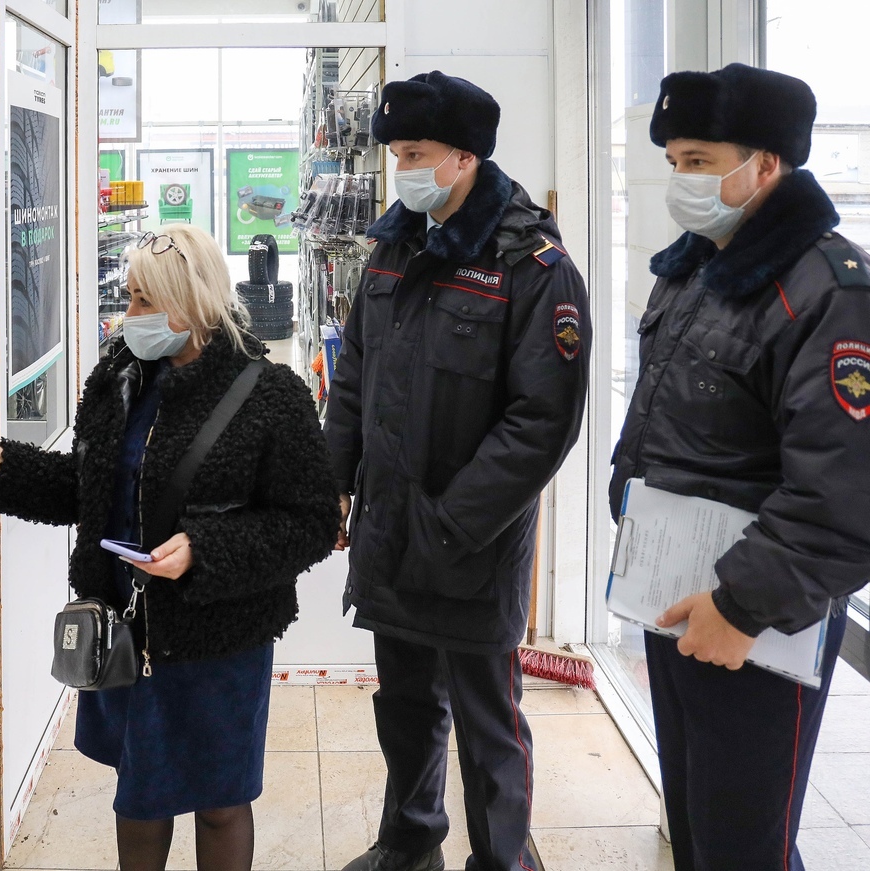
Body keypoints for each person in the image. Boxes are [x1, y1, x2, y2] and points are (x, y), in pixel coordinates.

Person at [0, 223, 339, 871]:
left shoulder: (269, 395)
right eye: (130, 295)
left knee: (221, 801)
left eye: (144, 300)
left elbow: (308, 523)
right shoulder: (118, 382)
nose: (128, 316)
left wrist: (203, 548)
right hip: (127, 630)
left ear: (191, 303)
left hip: (219, 641)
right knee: (141, 794)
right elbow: (86, 490)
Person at [324, 71, 591, 871]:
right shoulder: (391, 247)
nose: (401, 166)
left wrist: (450, 522)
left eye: (415, 152)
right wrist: (334, 481)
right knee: (404, 705)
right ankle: (409, 842)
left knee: (488, 722)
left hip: (472, 542)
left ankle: (502, 860)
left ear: (466, 157)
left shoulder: (533, 264)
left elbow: (543, 421)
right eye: (396, 151)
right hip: (389, 528)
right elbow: (354, 376)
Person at [610, 63, 868, 871]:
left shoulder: (826, 288)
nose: (682, 180)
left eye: (700, 160)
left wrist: (741, 605)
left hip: (756, 621)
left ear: (766, 165)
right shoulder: (695, 265)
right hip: (677, 598)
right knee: (695, 818)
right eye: (675, 162)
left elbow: (846, 492)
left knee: (744, 843)